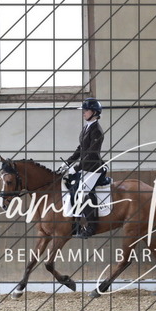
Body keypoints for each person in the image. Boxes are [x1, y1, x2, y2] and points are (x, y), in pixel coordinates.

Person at [57, 98, 105, 239]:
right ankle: (76, 224)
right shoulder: (86, 128)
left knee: (83, 192)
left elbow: (91, 153)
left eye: (86, 110)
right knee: (72, 189)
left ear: (94, 112)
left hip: (93, 168)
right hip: (85, 167)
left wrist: (76, 168)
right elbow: (81, 149)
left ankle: (91, 226)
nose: (83, 113)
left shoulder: (97, 131)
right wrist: (68, 163)